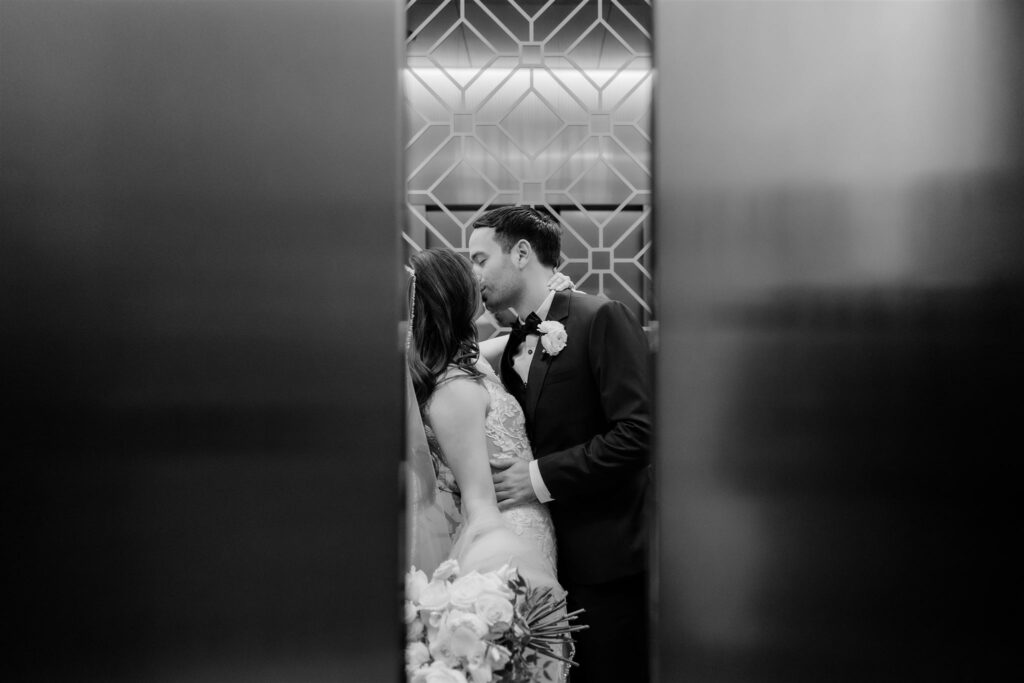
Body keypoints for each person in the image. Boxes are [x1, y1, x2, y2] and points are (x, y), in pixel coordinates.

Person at [468, 206, 652, 683]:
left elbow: (637, 434)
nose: (474, 274)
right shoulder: (511, 345)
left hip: (608, 562)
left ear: (522, 253)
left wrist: (536, 479)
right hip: (544, 560)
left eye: (480, 259)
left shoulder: (600, 317)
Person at [407, 247, 572, 682]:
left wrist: (548, 308)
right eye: (471, 269)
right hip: (506, 536)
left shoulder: (471, 363)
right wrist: (508, 569)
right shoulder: (454, 390)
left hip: (533, 523)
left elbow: (510, 343)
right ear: (454, 293)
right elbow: (479, 501)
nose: (480, 275)